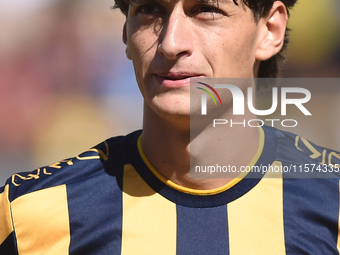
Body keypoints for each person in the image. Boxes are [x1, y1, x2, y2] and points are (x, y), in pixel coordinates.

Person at [1, 0, 340, 254]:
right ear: (126, 32)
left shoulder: (332, 203)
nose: (171, 43)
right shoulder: (27, 214)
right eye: (150, 9)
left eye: (206, 9)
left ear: (269, 31)